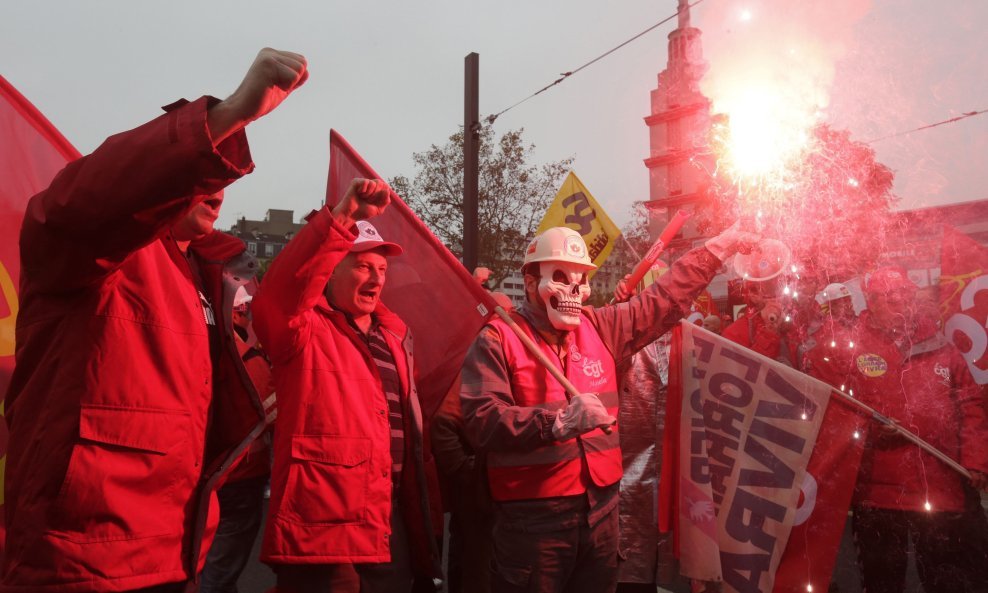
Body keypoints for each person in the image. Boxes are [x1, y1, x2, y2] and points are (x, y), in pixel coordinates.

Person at [1, 48, 306, 592]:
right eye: (198, 168)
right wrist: (228, 116)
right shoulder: (90, 249)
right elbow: (87, 201)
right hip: (86, 558)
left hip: (176, 546)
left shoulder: (202, 273)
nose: (216, 184)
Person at [460, 223, 757, 593]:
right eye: (560, 277)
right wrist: (555, 423)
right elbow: (480, 421)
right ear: (531, 280)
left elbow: (663, 300)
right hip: (533, 524)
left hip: (601, 516)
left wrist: (716, 249)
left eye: (581, 279)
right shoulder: (498, 338)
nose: (575, 291)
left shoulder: (599, 327)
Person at [252, 179, 440, 593]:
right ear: (330, 269)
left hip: (389, 522)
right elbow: (279, 297)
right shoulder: (301, 330)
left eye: (382, 269)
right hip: (323, 532)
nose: (375, 277)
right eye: (362, 266)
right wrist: (341, 218)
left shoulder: (395, 337)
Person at [844, 267, 988, 593]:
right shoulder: (850, 348)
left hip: (939, 489)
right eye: (892, 297)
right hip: (877, 496)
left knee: (947, 580)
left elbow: (971, 407)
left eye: (906, 295)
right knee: (882, 584)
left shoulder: (942, 346)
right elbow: (838, 408)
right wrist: (868, 430)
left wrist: (977, 461)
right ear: (872, 300)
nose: (902, 303)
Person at [201, 288, 277, 593]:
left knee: (205, 566)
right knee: (219, 575)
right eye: (247, 310)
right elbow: (276, 416)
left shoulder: (204, 351)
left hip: (206, 475)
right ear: (237, 312)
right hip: (241, 477)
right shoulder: (248, 358)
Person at [721, 277, 797, 366]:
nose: (776, 299)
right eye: (768, 292)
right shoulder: (734, 333)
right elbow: (746, 374)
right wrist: (768, 333)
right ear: (753, 295)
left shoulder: (796, 326)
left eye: (779, 289)